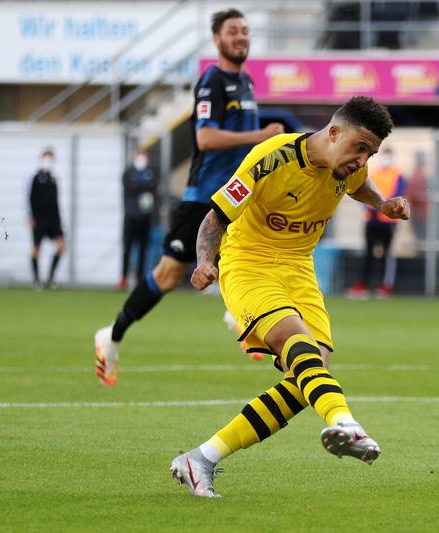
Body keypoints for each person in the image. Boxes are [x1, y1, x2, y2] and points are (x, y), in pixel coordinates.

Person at [170, 96, 409, 498]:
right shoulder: (271, 158)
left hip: (298, 267)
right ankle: (346, 423)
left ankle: (202, 458)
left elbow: (359, 183)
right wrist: (203, 261)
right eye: (359, 147)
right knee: (300, 348)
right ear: (333, 132)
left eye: (370, 151)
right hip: (249, 262)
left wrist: (382, 203)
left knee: (308, 376)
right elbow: (215, 216)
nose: (362, 158)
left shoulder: (349, 164)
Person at [94, 8, 284, 386]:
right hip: (204, 198)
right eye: (233, 31)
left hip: (237, 197)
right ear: (217, 39)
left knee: (250, 258)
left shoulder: (246, 82)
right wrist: (260, 137)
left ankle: (242, 322)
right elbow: (205, 139)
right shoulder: (212, 81)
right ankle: (111, 336)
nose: (241, 37)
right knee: (167, 277)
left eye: (245, 31)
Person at [346, 146, 405, 299]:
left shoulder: (397, 175)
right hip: (371, 219)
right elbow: (363, 192)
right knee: (368, 253)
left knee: (386, 253)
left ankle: (385, 286)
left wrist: (382, 207)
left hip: (387, 221)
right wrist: (370, 208)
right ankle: (364, 285)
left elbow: (396, 195)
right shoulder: (375, 173)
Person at [119, 148, 158, 290]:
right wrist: (143, 186)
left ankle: (139, 278)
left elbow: (153, 186)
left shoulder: (150, 172)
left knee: (143, 249)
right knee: (127, 248)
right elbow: (130, 187)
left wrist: (140, 185)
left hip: (145, 217)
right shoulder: (128, 172)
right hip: (130, 217)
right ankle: (123, 278)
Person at [28, 147, 66, 289]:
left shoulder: (53, 179)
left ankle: (50, 277)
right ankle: (37, 280)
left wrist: (60, 221)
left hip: (53, 219)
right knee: (36, 248)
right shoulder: (35, 178)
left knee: (61, 246)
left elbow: (56, 202)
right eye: (46, 158)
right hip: (39, 218)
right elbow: (30, 198)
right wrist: (31, 217)